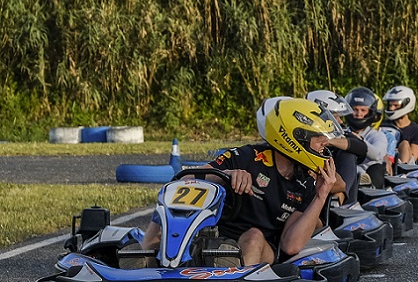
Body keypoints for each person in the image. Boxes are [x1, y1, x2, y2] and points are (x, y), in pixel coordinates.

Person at [142, 97, 340, 266]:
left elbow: (291, 245)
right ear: (294, 137)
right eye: (320, 139)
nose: (325, 144)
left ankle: (233, 280)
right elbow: (183, 180)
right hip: (215, 235)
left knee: (253, 236)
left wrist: (321, 196)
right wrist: (226, 174)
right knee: (170, 203)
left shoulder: (306, 183)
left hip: (263, 248)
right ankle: (145, 261)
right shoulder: (246, 157)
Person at [307, 89, 370, 203]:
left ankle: (338, 201)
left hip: (334, 182)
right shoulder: (305, 131)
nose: (340, 121)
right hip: (308, 181)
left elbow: (362, 148)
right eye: (336, 117)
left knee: (348, 154)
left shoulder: (340, 132)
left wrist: (330, 140)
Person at [344, 86, 389, 187]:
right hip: (346, 174)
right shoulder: (342, 133)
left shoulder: (377, 135)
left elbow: (377, 154)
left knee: (377, 167)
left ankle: (368, 186)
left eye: (363, 110)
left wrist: (357, 142)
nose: (359, 114)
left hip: (371, 175)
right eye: (355, 110)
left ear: (370, 112)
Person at [383, 85, 418, 165]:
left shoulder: (416, 131)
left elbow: (413, 157)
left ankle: (401, 172)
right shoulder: (383, 125)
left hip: (401, 166)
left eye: (396, 105)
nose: (392, 109)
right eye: (390, 105)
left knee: (405, 144)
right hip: (381, 160)